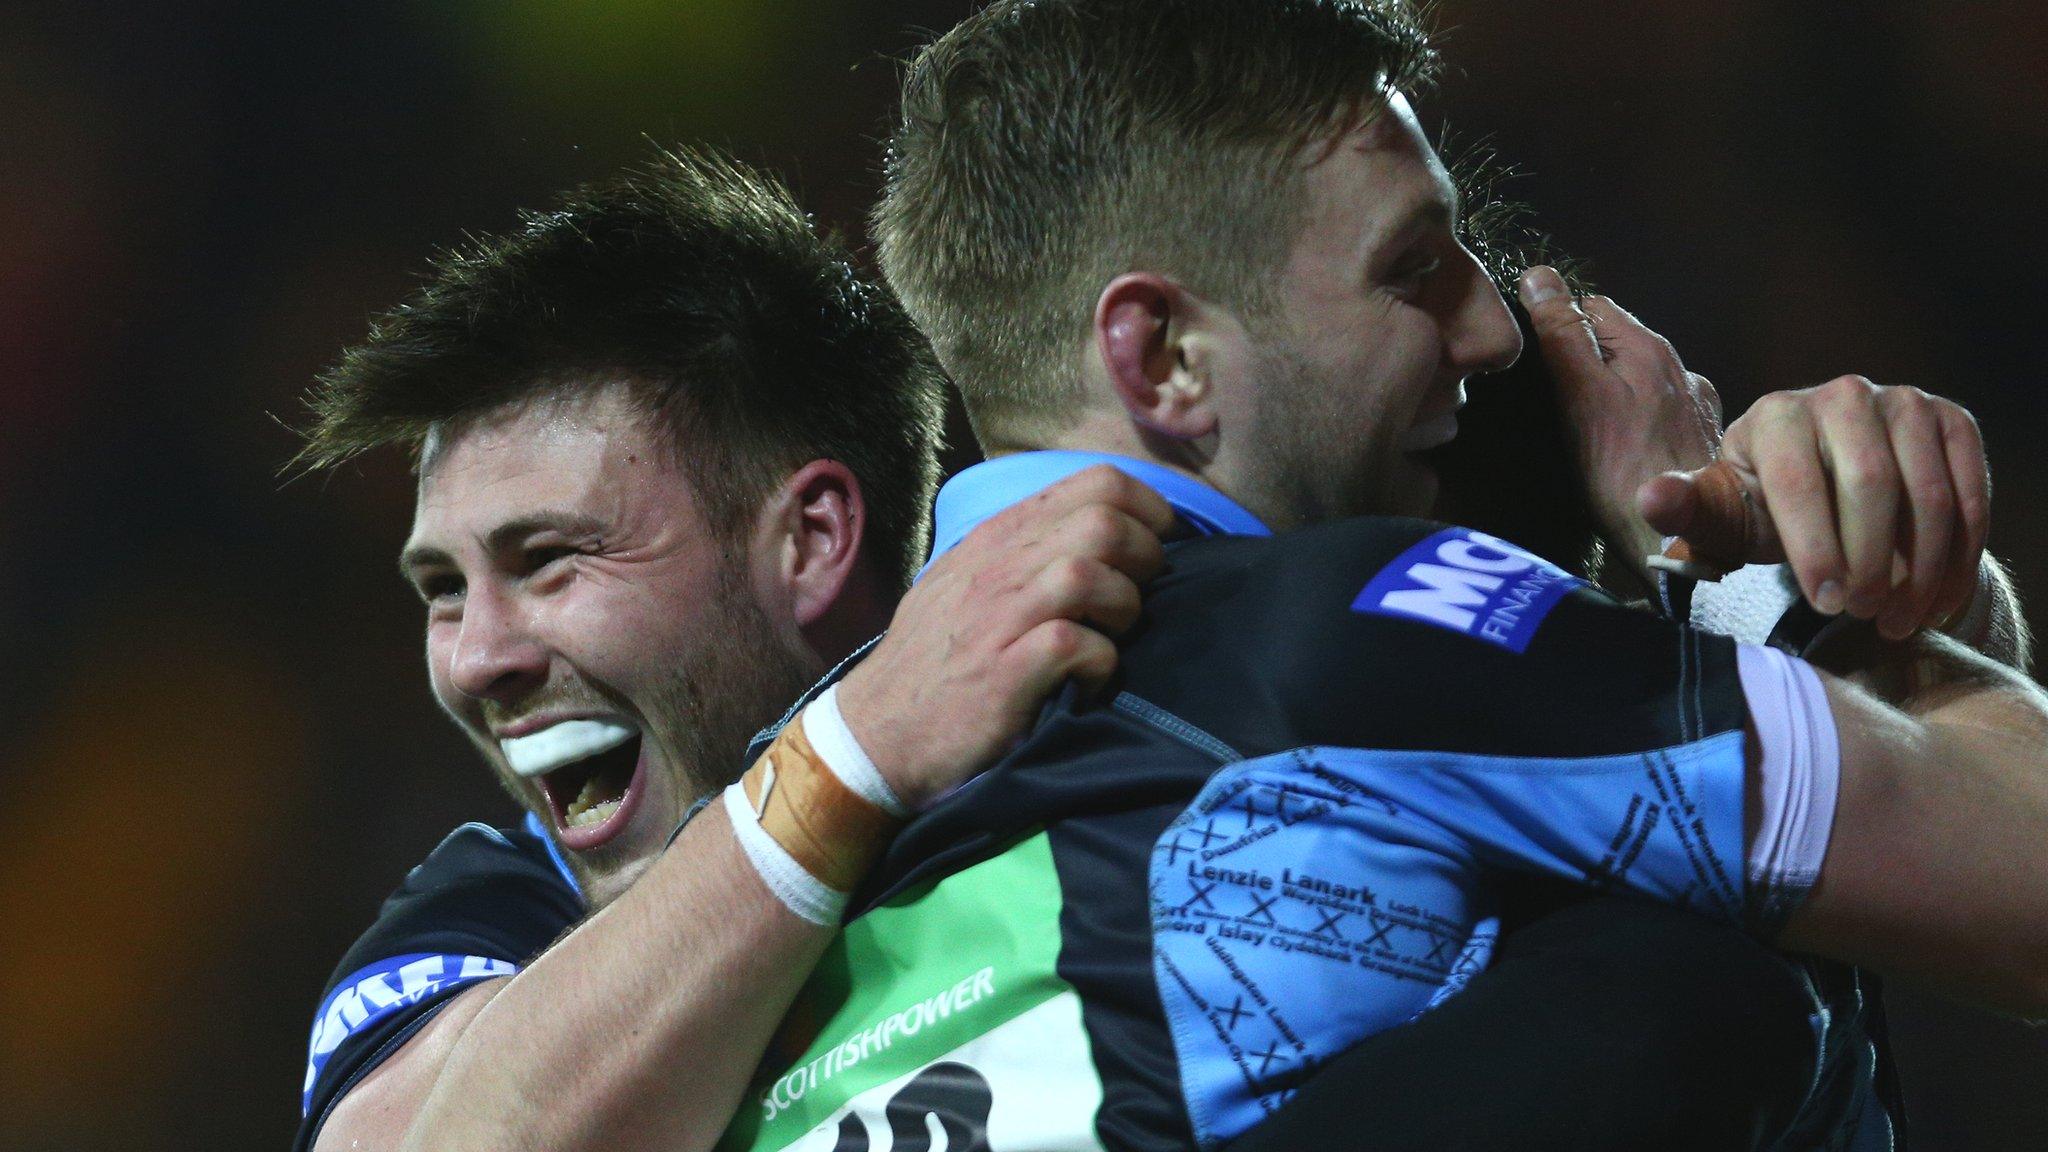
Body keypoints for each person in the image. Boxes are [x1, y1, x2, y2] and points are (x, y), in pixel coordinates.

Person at [686, 1, 2044, 1149]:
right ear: (1160, 357)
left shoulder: (746, 840)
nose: (1487, 329)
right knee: (1708, 996)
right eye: (1411, 269)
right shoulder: (1349, 637)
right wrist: (1729, 568)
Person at [291, 150, 1181, 1152]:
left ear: (807, 542)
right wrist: (852, 753)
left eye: (545, 560)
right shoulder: (492, 913)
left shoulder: (1129, 728)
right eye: (443, 590)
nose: (472, 661)